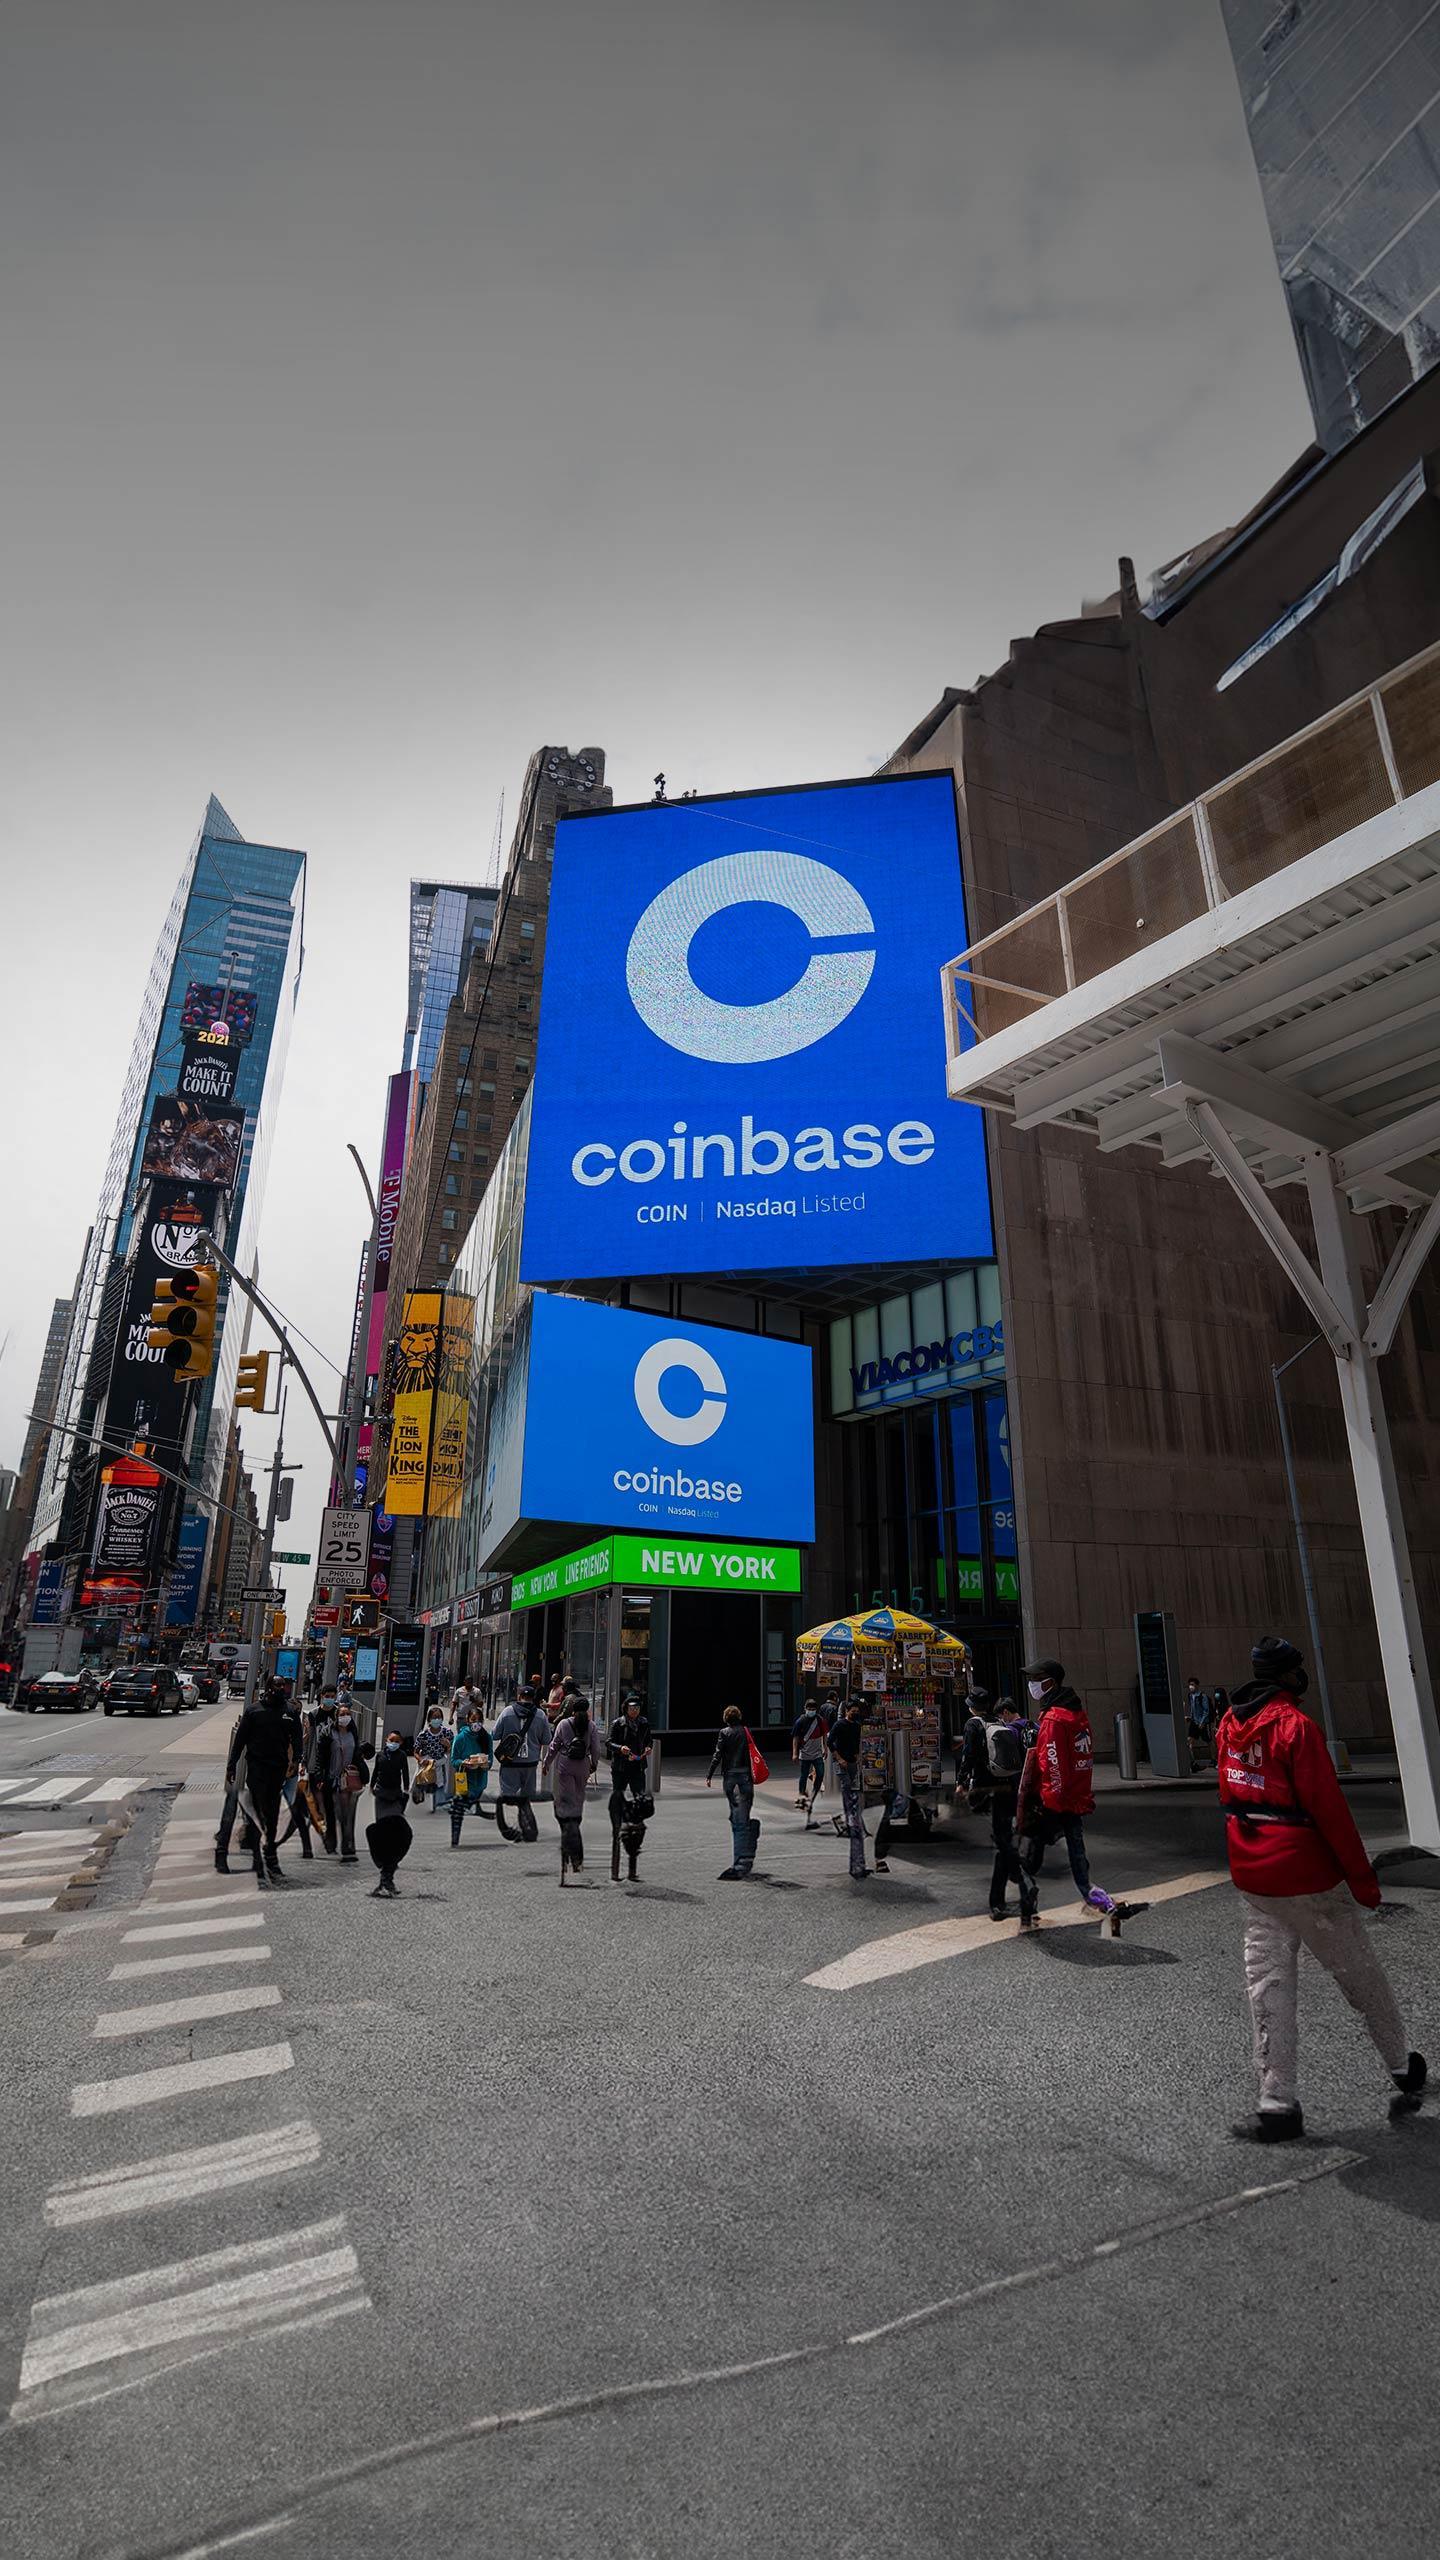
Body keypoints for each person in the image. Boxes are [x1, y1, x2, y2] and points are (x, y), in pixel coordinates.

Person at [1218, 1635, 1425, 2142]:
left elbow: (1229, 1791)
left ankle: (1277, 2104)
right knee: (1359, 1975)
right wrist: (1365, 1883)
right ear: (1289, 1675)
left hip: (1255, 1878)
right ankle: (1401, 2066)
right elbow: (1331, 1812)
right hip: (1308, 1877)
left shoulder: (1228, 1726)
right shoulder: (1295, 1727)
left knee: (1268, 1990)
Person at [1017, 1658, 1116, 1921]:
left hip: (1054, 1800)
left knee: (1026, 1854)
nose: (1032, 1685)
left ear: (1050, 1682)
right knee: (1077, 1853)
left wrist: (1049, 1801)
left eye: (1036, 1679)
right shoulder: (1076, 1714)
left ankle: (1028, 1898)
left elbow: (1053, 1764)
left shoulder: (1053, 1720)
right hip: (1075, 1798)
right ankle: (1095, 1897)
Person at [225, 1681, 295, 1887]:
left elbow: (297, 1738)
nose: (281, 1690)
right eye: (277, 1686)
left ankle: (270, 1856)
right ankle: (257, 1858)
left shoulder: (288, 1712)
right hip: (257, 1769)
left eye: (283, 1686)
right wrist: (232, 1765)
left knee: (272, 1816)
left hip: (278, 1770)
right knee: (257, 1813)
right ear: (268, 1688)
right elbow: (240, 1740)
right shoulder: (254, 1711)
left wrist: (296, 1761)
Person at [975, 1698, 1038, 1925]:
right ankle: (1018, 1900)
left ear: (1005, 1712)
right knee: (1020, 1846)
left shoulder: (1005, 1732)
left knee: (1005, 1848)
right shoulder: (1034, 1728)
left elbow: (994, 1766)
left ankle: (1001, 1900)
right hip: (1029, 1797)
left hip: (1006, 1794)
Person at [542, 1695, 601, 1883]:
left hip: (566, 1764)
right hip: (582, 1765)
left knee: (565, 1801)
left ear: (572, 1710)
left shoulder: (564, 1724)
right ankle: (576, 1824)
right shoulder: (591, 1726)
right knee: (578, 1798)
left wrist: (546, 1763)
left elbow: (554, 1746)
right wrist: (594, 1764)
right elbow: (596, 1749)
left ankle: (568, 1832)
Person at [707, 1704, 759, 1880]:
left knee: (737, 1820)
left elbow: (718, 1754)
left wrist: (709, 1774)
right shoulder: (746, 1732)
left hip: (731, 1778)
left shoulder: (724, 1733)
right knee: (741, 1817)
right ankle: (748, 1845)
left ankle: (741, 1862)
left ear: (726, 1719)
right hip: (745, 1777)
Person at [491, 1690, 551, 1841]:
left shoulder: (507, 1712)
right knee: (525, 1798)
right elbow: (546, 1739)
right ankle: (527, 1827)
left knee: (507, 1798)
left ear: (519, 1697)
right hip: (530, 1763)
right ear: (533, 1698)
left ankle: (513, 1829)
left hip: (510, 1762)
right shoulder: (540, 1715)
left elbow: (495, 1734)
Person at [827, 1696, 870, 1881]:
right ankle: (851, 1819)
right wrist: (839, 1759)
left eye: (857, 1711)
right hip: (842, 1764)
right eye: (853, 1710)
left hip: (852, 1763)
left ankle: (851, 1817)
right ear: (846, 1711)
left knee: (852, 1795)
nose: (855, 1713)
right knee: (848, 1794)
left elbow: (856, 1741)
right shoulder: (839, 1725)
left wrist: (857, 1755)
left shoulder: (857, 1725)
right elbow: (830, 1743)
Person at [367, 1730, 413, 1897]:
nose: (393, 1742)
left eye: (397, 1741)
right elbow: (376, 1772)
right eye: (391, 1740)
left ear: (400, 1743)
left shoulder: (401, 1756)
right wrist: (372, 1786)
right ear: (386, 1740)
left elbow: (405, 1773)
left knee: (396, 1830)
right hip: (381, 1795)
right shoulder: (380, 1755)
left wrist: (406, 1789)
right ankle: (386, 1879)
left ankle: (387, 1876)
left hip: (395, 1796)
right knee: (383, 1833)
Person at [331, 1700, 370, 1862]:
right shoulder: (330, 1734)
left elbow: (358, 1756)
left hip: (350, 1780)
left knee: (350, 1814)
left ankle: (349, 1846)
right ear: (336, 1717)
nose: (345, 1717)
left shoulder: (353, 1734)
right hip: (334, 1779)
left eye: (347, 1715)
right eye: (342, 1715)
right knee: (340, 1814)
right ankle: (341, 1843)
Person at [449, 1699, 491, 1847]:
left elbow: (490, 1759)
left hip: (480, 1780)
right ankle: (455, 1838)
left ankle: (475, 1807)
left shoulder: (487, 1737)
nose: (477, 1724)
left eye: (479, 1721)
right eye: (474, 1720)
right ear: (467, 1720)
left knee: (468, 1803)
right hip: (464, 1779)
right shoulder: (460, 1738)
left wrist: (485, 1764)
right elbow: (454, 1760)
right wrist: (464, 1763)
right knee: (458, 1809)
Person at [608, 1694, 652, 1811]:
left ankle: (637, 1819)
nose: (635, 1711)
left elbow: (648, 1740)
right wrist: (620, 1748)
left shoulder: (644, 1723)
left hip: (638, 1766)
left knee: (640, 1796)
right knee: (618, 1795)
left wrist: (648, 1748)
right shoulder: (618, 1723)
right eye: (632, 1709)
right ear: (626, 1709)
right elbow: (609, 1743)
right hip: (621, 1766)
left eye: (637, 1708)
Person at [790, 1698, 829, 1813]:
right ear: (805, 1709)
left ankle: (814, 1793)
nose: (811, 1711)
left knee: (821, 1773)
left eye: (813, 1709)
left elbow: (824, 1735)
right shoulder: (800, 1721)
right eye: (809, 1709)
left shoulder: (820, 1720)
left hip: (817, 1753)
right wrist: (795, 1753)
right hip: (805, 1754)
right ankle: (801, 1794)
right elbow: (795, 1738)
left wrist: (825, 1748)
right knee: (803, 1775)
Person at [416, 1702, 453, 1816]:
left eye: (439, 1717)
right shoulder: (423, 1735)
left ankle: (440, 1804)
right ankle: (426, 1805)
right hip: (427, 1765)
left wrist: (448, 1745)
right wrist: (421, 1760)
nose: (437, 1719)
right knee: (427, 1784)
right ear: (429, 1719)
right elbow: (416, 1751)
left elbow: (452, 1749)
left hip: (441, 1762)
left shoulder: (447, 1733)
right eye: (434, 1717)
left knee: (441, 1783)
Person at [1186, 1676, 1214, 1771]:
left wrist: (1202, 1722)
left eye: (1192, 1685)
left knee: (1208, 1741)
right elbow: (1193, 1709)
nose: (1191, 1687)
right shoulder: (1190, 1696)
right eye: (1190, 1685)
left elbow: (1206, 1711)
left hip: (1202, 1723)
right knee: (1189, 1741)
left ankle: (1214, 1759)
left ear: (1197, 1686)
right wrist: (1190, 1717)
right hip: (1194, 1722)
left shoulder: (1202, 1696)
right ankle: (1193, 1763)